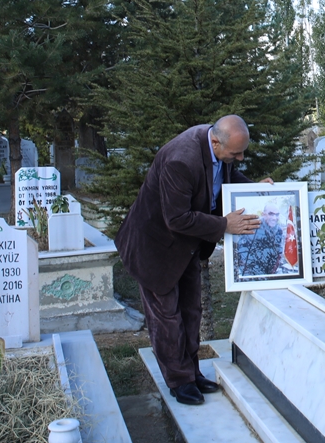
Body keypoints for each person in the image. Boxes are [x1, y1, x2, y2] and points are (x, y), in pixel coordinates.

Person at [115, 115, 271, 406]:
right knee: (167, 318)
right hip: (155, 248)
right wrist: (224, 225)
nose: (239, 158)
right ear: (215, 141)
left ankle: (192, 372)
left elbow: (222, 177)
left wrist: (254, 190)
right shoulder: (180, 160)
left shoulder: (215, 147)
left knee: (190, 311)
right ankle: (179, 381)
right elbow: (176, 218)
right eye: (236, 153)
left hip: (185, 245)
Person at [235, 200, 286, 277]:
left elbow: (278, 253)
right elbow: (241, 252)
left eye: (277, 215)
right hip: (251, 272)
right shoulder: (254, 226)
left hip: (269, 272)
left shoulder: (279, 231)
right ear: (263, 214)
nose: (274, 218)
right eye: (271, 214)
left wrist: (272, 274)